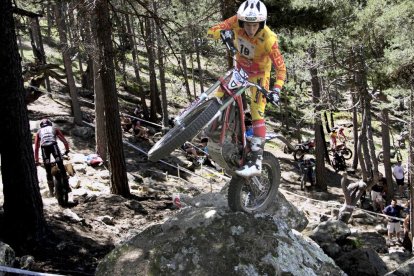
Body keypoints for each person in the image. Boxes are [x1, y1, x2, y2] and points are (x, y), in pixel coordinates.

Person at [207, 0, 286, 177]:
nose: (250, 29)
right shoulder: (235, 21)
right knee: (219, 97)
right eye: (247, 25)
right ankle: (212, 132)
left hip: (259, 77)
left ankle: (256, 161)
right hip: (240, 71)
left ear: (262, 23)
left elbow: (281, 69)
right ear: (242, 21)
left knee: (257, 111)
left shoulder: (269, 39)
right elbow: (211, 31)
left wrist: (277, 90)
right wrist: (222, 34)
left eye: (255, 25)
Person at [34, 118, 70, 196]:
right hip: (53, 146)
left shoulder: (39, 132)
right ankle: (67, 186)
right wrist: (67, 150)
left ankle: (51, 191)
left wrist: (36, 160)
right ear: (50, 124)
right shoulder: (54, 129)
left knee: (47, 169)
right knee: (60, 165)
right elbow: (64, 141)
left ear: (41, 125)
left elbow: (36, 147)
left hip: (44, 148)